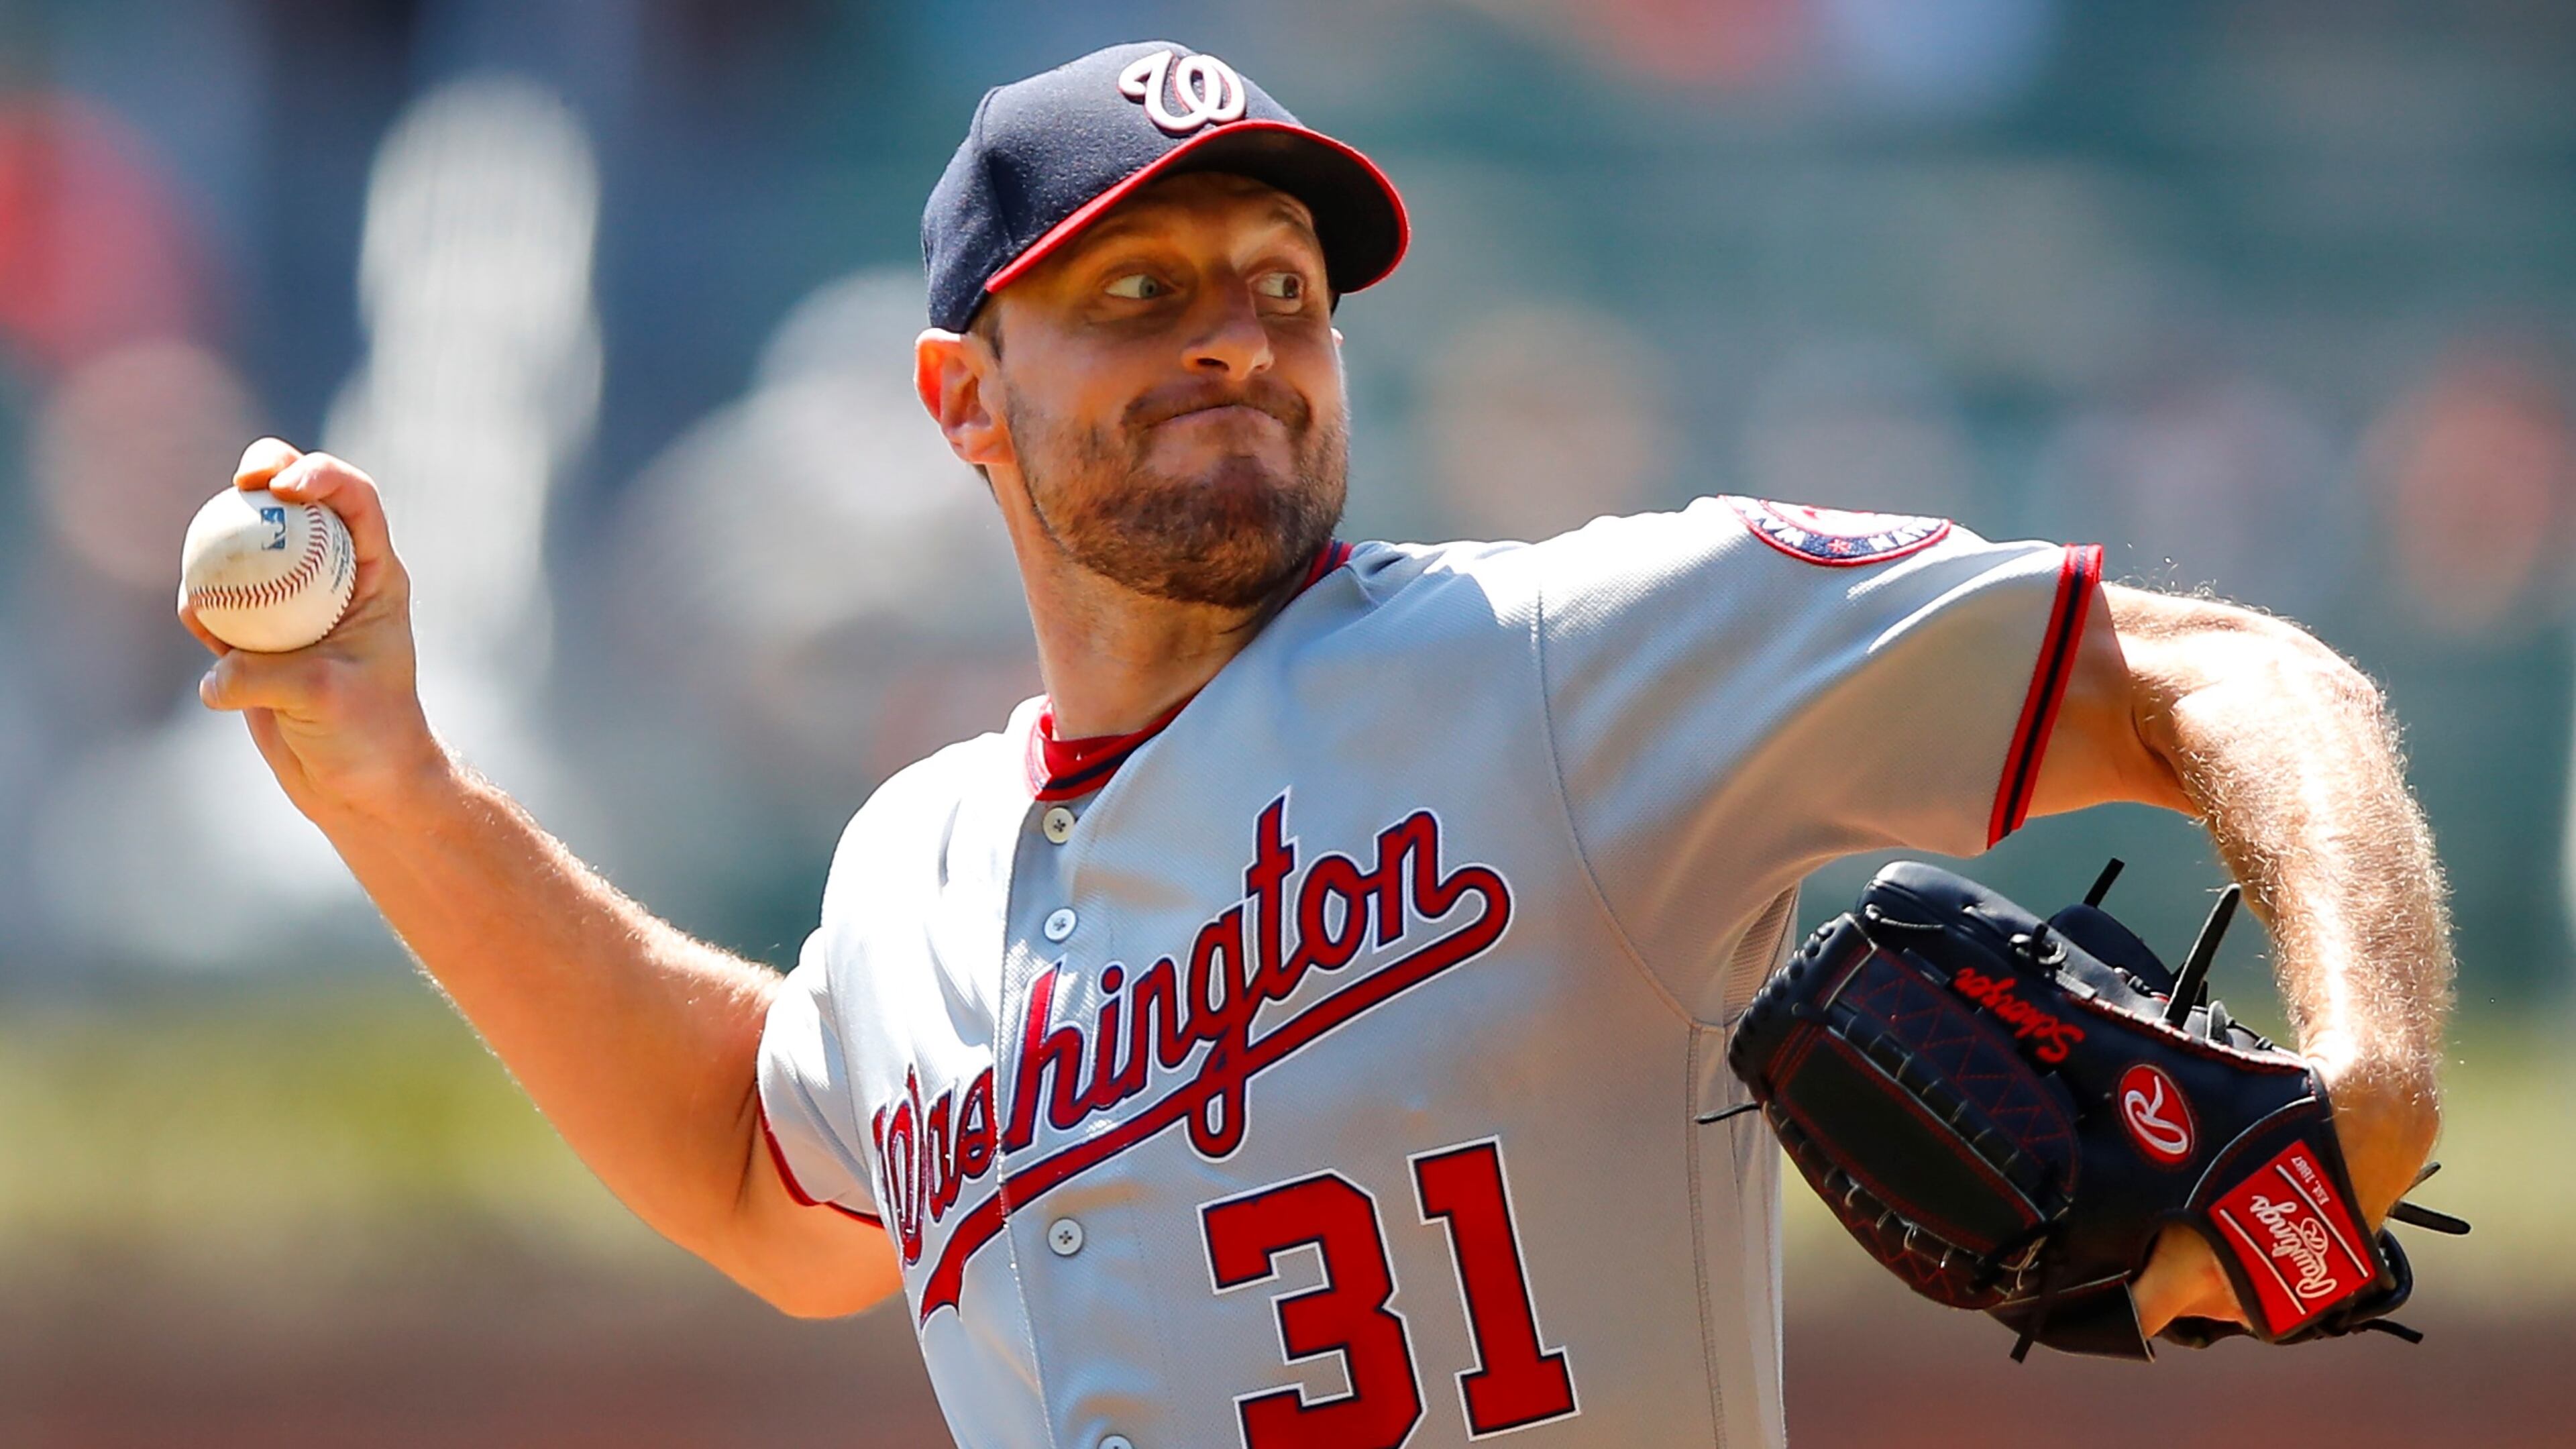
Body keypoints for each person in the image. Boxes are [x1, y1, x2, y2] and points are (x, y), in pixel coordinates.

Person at [184, 42, 2451, 1449]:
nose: (1238, 345)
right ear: (963, 402)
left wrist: (2375, 1068)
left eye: (1282, 289)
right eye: (1138, 297)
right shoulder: (916, 872)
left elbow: (2229, 676)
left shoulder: (1570, 660)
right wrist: (396, 786)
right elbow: (756, 1181)